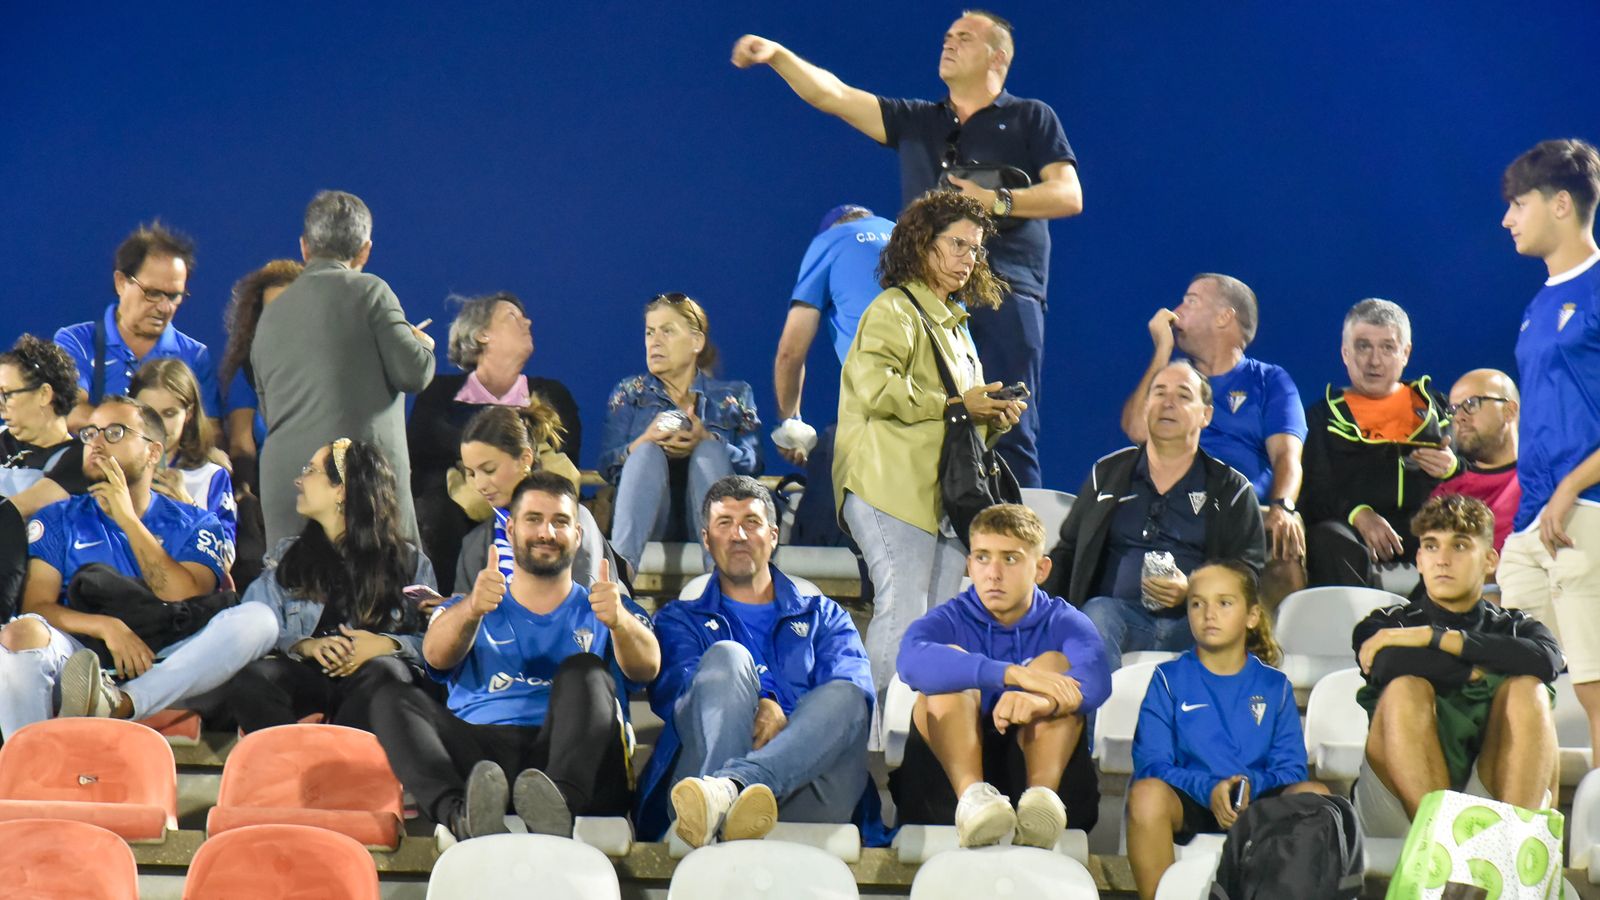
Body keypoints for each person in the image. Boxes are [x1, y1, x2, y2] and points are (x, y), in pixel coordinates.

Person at [732, 12, 1082, 487]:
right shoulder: (919, 121)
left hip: (1003, 292)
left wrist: (995, 201)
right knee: (926, 419)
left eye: (965, 37)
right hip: (928, 302)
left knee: (1008, 421)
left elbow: (1068, 195)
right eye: (947, 36)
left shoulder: (1030, 117)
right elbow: (833, 95)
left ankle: (1016, 540)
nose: (949, 43)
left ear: (998, 56)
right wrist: (777, 55)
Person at [366, 471, 660, 841]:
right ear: (510, 532)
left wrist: (619, 622)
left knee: (585, 670)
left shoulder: (608, 605)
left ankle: (558, 809)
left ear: (578, 536)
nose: (546, 533)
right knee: (392, 696)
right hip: (484, 764)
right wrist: (473, 608)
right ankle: (462, 816)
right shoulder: (467, 606)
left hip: (579, 763)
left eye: (560, 522)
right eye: (534, 520)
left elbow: (647, 668)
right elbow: (436, 656)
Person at [834, 190, 1024, 716]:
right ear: (921, 244)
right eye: (957, 244)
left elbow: (958, 423)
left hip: (938, 494)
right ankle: (870, 741)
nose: (969, 258)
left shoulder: (957, 325)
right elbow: (876, 389)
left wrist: (994, 418)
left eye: (976, 249)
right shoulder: (894, 308)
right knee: (903, 611)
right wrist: (961, 403)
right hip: (888, 485)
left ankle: (917, 739)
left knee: (937, 622)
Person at [0, 397, 278, 738]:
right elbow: (37, 606)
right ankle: (26, 769)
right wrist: (108, 627)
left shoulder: (197, 522)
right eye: (89, 433)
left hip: (172, 658)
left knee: (259, 620)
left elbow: (180, 595)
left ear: (152, 452)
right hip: (84, 656)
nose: (96, 443)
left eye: (114, 432)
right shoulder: (57, 517)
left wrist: (128, 520)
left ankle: (124, 703)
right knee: (20, 633)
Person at [637, 476, 873, 846]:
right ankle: (725, 793)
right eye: (725, 524)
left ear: (774, 535)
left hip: (806, 788)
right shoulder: (679, 619)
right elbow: (677, 697)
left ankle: (730, 789)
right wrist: (760, 700)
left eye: (751, 522)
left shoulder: (825, 616)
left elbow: (849, 701)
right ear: (706, 538)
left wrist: (786, 718)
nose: (739, 535)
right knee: (728, 659)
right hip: (705, 763)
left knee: (848, 695)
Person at [892, 503, 1109, 848]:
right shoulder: (948, 619)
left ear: (1041, 569)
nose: (993, 573)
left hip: (1036, 764)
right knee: (948, 673)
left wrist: (1040, 701)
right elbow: (910, 662)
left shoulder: (1066, 620)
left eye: (1010, 559)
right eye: (982, 558)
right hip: (947, 788)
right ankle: (974, 802)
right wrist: (1013, 675)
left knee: (1053, 665)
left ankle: (1041, 805)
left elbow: (1097, 679)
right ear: (970, 566)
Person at [1352, 495, 1561, 837]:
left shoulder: (1514, 625)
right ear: (1418, 559)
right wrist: (1474, 670)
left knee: (1530, 690)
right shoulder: (1386, 623)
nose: (1443, 560)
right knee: (1406, 687)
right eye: (1431, 547)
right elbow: (1387, 661)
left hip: (1492, 791)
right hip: (1399, 800)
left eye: (1460, 546)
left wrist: (1434, 638)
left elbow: (1547, 659)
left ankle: (1512, 858)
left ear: (1490, 560)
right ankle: (1446, 851)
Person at [1045, 362, 1265, 672]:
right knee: (1097, 614)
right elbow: (1067, 551)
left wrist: (1194, 590)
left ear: (1206, 415)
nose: (1168, 403)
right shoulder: (1107, 475)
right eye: (1159, 393)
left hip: (1194, 623)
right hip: (1115, 618)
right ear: (1146, 406)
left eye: (1183, 395)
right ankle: (1098, 721)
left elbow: (1248, 574)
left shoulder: (1232, 489)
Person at [1126, 561, 1327, 900]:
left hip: (1255, 801)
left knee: (1316, 796)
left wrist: (1247, 787)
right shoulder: (1168, 679)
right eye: (1197, 603)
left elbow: (1291, 767)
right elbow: (1152, 764)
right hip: (1190, 800)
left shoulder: (1274, 686)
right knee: (1146, 795)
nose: (1208, 614)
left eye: (1224, 603)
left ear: (1251, 616)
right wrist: (1209, 790)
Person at [253, 190, 436, 546]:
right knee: (384, 593)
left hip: (289, 490)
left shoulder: (271, 313)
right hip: (362, 490)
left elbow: (268, 408)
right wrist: (424, 347)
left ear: (304, 248)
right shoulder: (372, 292)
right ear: (365, 250)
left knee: (293, 593)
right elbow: (413, 374)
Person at [1495, 138, 1600, 756]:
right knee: (1517, 684)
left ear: (1561, 203)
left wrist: (1570, 486)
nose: (1508, 219)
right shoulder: (1539, 303)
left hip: (1584, 513)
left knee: (1593, 688)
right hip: (1535, 523)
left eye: (1517, 203)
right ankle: (1527, 838)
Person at [225, 439, 435, 733]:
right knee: (253, 678)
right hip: (310, 678)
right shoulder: (289, 555)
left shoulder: (409, 563)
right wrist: (306, 646)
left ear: (341, 489)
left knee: (386, 672)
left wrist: (386, 645)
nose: (299, 480)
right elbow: (251, 624)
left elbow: (437, 646)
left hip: (372, 681)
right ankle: (295, 766)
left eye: (310, 471)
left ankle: (336, 766)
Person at [1121, 274, 1308, 604]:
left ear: (1225, 317)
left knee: (1284, 540)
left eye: (1191, 301)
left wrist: (1283, 507)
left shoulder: (1269, 381)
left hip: (1244, 509)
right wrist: (1163, 351)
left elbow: (1287, 457)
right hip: (1175, 503)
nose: (1176, 311)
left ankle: (1270, 650)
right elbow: (1137, 430)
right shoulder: (1176, 380)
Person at [409, 293, 581, 592]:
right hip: (451, 523)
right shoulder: (437, 393)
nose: (527, 321)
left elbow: (566, 460)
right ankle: (444, 607)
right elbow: (421, 463)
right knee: (435, 509)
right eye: (512, 317)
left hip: (535, 512)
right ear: (481, 334)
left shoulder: (552, 394)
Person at [597, 293, 761, 574]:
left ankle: (720, 580)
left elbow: (753, 465)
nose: (655, 341)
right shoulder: (630, 393)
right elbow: (606, 465)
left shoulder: (734, 396)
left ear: (696, 341)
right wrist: (643, 441)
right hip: (649, 518)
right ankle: (620, 578)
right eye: (650, 332)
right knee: (647, 452)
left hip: (711, 518)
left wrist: (708, 440)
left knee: (709, 450)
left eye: (667, 331)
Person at [1301, 298, 1452, 588]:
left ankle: (1434, 627)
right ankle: (1359, 630)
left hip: (1425, 527)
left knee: (1456, 533)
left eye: (1387, 347)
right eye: (1363, 346)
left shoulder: (1437, 409)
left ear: (1405, 353)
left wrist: (1451, 466)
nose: (1374, 360)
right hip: (1350, 531)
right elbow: (1313, 493)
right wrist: (1359, 514)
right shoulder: (1322, 417)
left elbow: (1476, 470)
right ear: (1345, 353)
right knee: (1327, 538)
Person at [53, 221, 223, 431]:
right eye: (152, 293)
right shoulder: (76, 341)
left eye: (174, 296)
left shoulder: (195, 356)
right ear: (121, 282)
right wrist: (139, 439)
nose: (164, 307)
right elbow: (71, 411)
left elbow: (210, 432)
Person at [454, 405, 607, 597]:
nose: (480, 484)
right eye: (471, 473)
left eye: (489, 469)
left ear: (525, 459)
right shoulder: (474, 544)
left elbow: (584, 611)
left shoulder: (576, 522)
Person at [0, 336, 92, 617]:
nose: (1, 406)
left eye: (7, 394)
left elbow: (18, 510)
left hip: (25, 590)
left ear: (44, 394)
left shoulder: (79, 459)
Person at [130, 359, 237, 555]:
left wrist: (188, 507)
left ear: (188, 413)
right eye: (148, 413)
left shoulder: (211, 476)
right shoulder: (111, 467)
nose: (158, 425)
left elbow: (225, 557)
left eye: (169, 414)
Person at [218, 259, 302, 493]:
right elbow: (241, 444)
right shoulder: (247, 373)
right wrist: (244, 492)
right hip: (270, 495)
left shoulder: (332, 368)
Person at [1430, 370, 1520, 553]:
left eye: (1471, 404)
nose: (1459, 417)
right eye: (1454, 409)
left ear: (1509, 411)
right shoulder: (1446, 495)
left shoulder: (1549, 481)